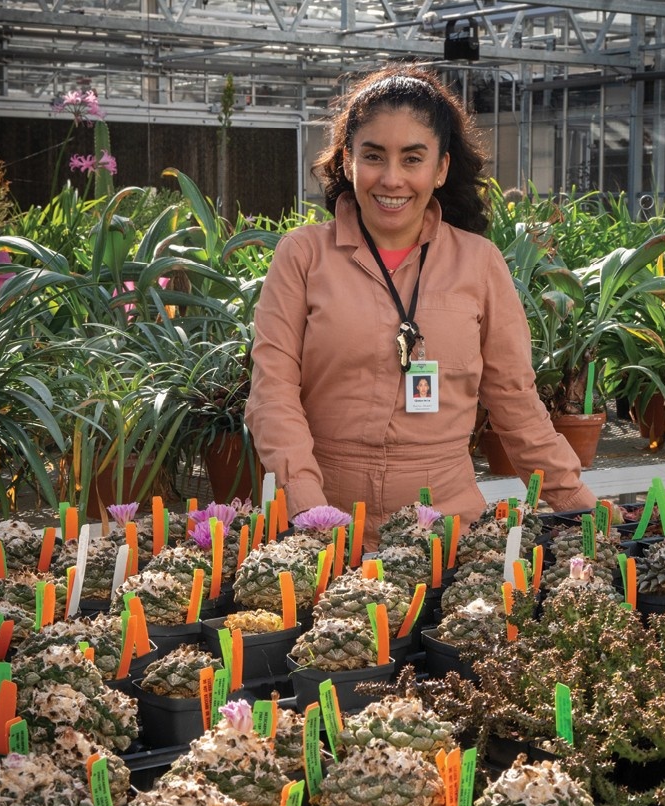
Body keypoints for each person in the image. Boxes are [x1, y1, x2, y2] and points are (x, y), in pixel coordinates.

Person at [245, 64, 606, 548]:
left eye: (412, 159)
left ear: (440, 169)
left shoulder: (478, 264)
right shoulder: (304, 255)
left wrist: (580, 503)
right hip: (328, 524)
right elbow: (273, 393)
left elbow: (516, 403)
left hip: (447, 527)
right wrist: (312, 513)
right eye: (373, 156)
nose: (391, 179)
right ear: (348, 161)